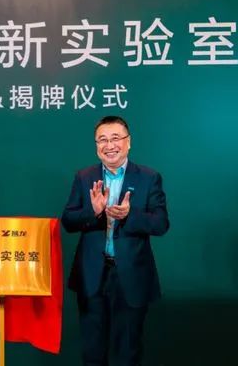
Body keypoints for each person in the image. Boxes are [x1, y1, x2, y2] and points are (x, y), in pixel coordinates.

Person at [61, 115, 169, 366]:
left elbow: (161, 223)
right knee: (92, 353)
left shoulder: (148, 177)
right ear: (96, 145)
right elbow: (68, 221)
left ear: (128, 142)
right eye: (102, 140)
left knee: (127, 353)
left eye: (115, 138)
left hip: (131, 276)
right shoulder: (84, 177)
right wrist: (93, 212)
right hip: (92, 276)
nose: (109, 145)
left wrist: (130, 215)